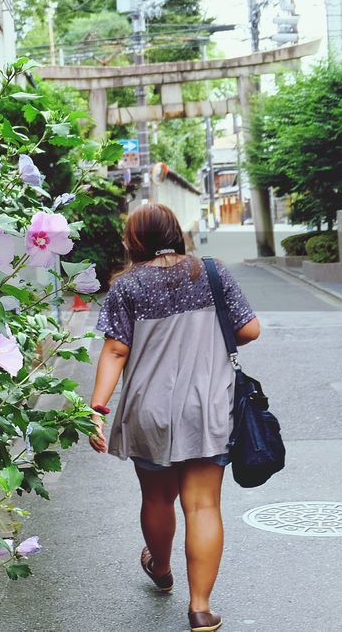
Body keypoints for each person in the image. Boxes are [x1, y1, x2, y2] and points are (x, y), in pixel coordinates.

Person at [88, 203, 261, 632]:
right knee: (202, 506)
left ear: (135, 241)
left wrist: (96, 410)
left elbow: (115, 350)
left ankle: (160, 570)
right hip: (205, 406)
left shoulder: (126, 286)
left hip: (149, 407)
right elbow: (250, 329)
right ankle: (200, 608)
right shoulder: (212, 272)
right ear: (177, 232)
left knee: (157, 499)